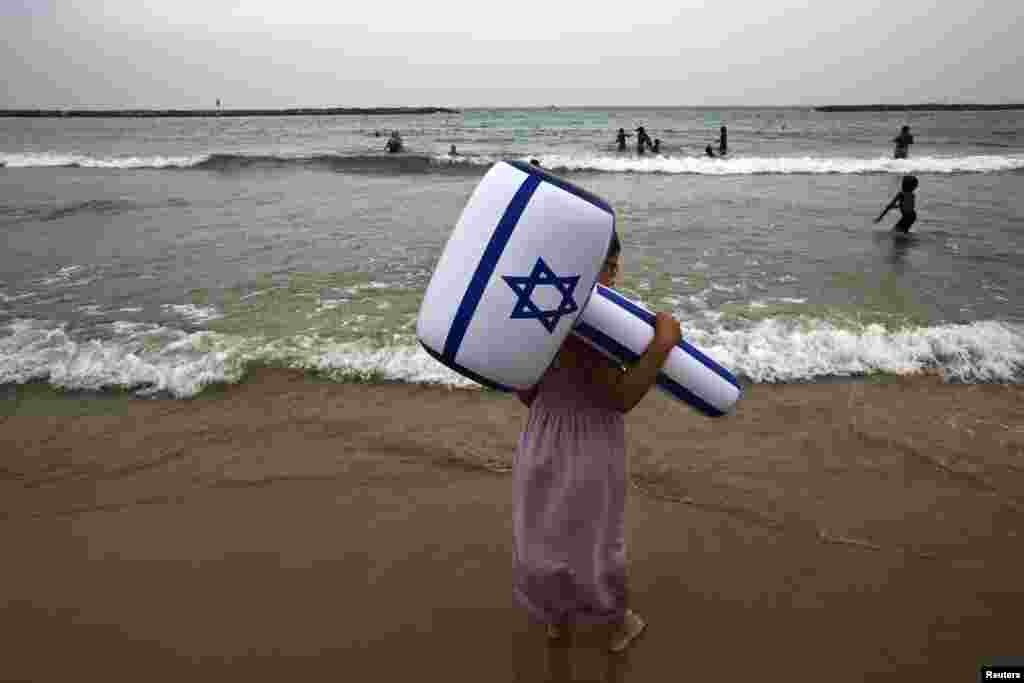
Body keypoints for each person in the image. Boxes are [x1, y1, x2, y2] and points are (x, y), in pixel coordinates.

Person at [513, 231, 681, 655]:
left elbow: (525, 391)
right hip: (589, 443)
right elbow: (620, 398)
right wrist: (661, 346)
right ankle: (616, 620)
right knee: (594, 535)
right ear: (599, 269)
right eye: (611, 267)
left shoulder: (536, 318)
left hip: (540, 437)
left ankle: (555, 617)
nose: (615, 275)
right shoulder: (594, 331)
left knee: (542, 530)